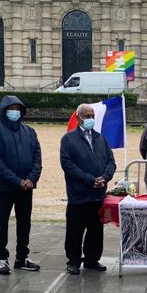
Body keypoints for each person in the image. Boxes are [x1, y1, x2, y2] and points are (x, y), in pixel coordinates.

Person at [0, 95, 43, 275]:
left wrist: (31, 179)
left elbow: (37, 157)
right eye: (12, 109)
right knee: (2, 222)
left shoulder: (30, 132)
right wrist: (17, 181)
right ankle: (2, 258)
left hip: (27, 186)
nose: (15, 112)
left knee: (25, 222)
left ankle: (22, 256)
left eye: (18, 109)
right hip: (4, 187)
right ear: (4, 111)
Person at [60, 103, 116, 274]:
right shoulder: (68, 139)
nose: (90, 119)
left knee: (95, 229)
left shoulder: (101, 138)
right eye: (87, 116)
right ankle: (73, 261)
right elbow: (68, 165)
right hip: (78, 193)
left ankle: (92, 259)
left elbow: (111, 162)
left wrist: (104, 177)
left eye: (92, 116)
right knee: (75, 229)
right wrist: (89, 180)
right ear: (79, 118)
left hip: (98, 194)